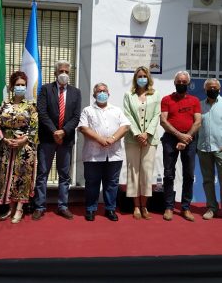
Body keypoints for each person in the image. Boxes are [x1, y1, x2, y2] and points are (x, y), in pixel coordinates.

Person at [32, 60, 81, 220]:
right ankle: (39, 206)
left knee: (64, 175)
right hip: (47, 138)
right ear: (55, 73)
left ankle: (63, 206)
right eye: (61, 71)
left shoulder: (76, 92)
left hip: (66, 140)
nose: (64, 74)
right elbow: (42, 112)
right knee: (42, 173)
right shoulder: (46, 89)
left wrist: (63, 132)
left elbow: (76, 116)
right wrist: (54, 131)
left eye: (67, 72)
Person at [78, 83, 130, 221]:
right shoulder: (87, 110)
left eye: (104, 91)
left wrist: (112, 138)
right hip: (93, 154)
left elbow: (125, 127)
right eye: (99, 91)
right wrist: (100, 139)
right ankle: (90, 209)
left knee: (112, 183)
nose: (102, 93)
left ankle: (110, 209)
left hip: (114, 154)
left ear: (109, 94)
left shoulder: (117, 110)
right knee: (92, 183)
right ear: (94, 95)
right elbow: (83, 128)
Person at [0, 71, 38, 224]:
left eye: (23, 85)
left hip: (24, 148)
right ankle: (10, 207)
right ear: (12, 86)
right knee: (6, 176)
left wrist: (23, 140)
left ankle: (19, 208)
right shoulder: (4, 105)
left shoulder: (31, 106)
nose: (20, 87)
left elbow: (34, 127)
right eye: (18, 85)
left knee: (21, 176)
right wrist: (4, 139)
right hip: (6, 147)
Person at [160, 71, 201, 221]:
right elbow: (163, 121)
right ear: (174, 82)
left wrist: (185, 139)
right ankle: (169, 207)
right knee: (168, 174)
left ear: (188, 84)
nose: (181, 84)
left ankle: (186, 208)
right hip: (170, 139)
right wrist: (179, 136)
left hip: (189, 140)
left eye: (184, 82)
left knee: (189, 175)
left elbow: (197, 122)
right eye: (179, 81)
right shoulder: (166, 99)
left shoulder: (195, 100)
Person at [123, 66, 161, 220]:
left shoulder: (155, 94)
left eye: (144, 75)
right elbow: (127, 115)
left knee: (146, 171)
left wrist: (147, 133)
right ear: (135, 78)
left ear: (148, 77)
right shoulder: (128, 95)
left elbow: (156, 115)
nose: (142, 78)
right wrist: (138, 134)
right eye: (139, 76)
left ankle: (144, 206)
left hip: (150, 140)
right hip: (132, 139)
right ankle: (136, 206)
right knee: (133, 172)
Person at [197, 78, 222, 220]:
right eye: (210, 87)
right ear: (205, 90)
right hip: (204, 148)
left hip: (220, 148)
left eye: (215, 87)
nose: (212, 89)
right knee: (207, 180)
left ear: (219, 89)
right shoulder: (200, 106)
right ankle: (212, 208)